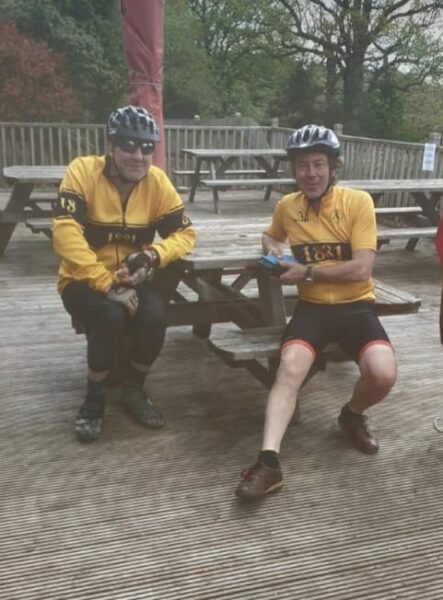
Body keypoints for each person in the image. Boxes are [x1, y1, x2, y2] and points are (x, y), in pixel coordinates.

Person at [236, 124, 397, 500]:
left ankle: (351, 415)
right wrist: (273, 249)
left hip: (356, 308)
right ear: (293, 170)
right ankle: (268, 463)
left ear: (333, 167)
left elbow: (361, 268)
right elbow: (271, 234)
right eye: (302, 166)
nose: (310, 173)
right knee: (289, 368)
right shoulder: (287, 207)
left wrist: (307, 272)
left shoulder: (358, 203)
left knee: (383, 374)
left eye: (318, 164)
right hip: (312, 309)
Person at [52, 105, 196, 442]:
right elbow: (64, 234)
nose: (138, 156)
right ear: (110, 145)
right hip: (81, 279)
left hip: (130, 278)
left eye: (147, 147)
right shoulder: (83, 171)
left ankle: (134, 388)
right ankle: (94, 397)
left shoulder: (157, 182)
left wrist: (151, 256)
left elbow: (185, 234)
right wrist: (104, 284)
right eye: (128, 145)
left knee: (156, 315)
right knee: (109, 315)